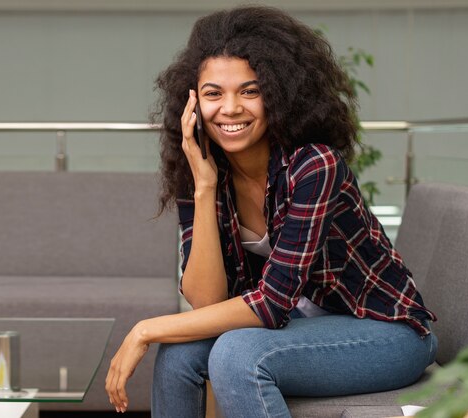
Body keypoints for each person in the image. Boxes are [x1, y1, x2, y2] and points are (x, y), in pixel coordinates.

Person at [105, 6, 437, 418]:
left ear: (278, 94)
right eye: (213, 93)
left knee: (237, 354)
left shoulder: (315, 165)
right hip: (301, 327)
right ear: (192, 106)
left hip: (387, 332)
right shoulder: (204, 173)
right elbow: (206, 300)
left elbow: (271, 304)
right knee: (178, 355)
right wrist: (205, 188)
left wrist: (144, 329)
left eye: (250, 91)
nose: (230, 108)